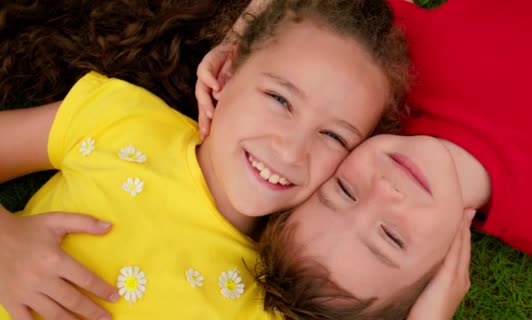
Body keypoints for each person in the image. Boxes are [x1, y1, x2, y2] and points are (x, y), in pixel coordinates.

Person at [195, 0, 532, 318]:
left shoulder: (388, 74)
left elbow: (296, 28)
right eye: (391, 237)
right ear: (443, 275)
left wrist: (238, 46)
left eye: (344, 189)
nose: (385, 191)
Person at [0, 1, 409, 319]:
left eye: (334, 136)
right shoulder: (123, 119)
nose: (290, 149)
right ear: (226, 73)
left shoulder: (272, 298)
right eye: (280, 99)